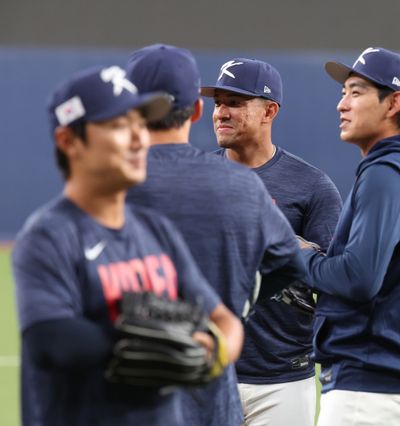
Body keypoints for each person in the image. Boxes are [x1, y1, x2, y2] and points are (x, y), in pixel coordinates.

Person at [11, 65, 244, 426]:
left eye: (141, 124)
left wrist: (211, 352)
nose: (139, 138)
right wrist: (138, 343)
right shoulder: (50, 236)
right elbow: (49, 339)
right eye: (119, 125)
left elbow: (225, 321)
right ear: (69, 141)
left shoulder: (157, 230)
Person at [124, 44, 307, 426]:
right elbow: (291, 263)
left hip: (128, 396)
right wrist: (235, 304)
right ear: (195, 110)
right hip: (212, 388)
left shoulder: (106, 187)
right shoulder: (241, 185)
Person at [300, 47, 400, 425]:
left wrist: (297, 256)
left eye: (356, 92)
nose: (342, 104)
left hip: (368, 382)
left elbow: (359, 278)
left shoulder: (386, 173)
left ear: (394, 103)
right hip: (391, 376)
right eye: (343, 92)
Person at [200, 58, 342, 426]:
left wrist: (295, 257)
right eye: (218, 103)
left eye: (235, 103)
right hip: (208, 371)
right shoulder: (197, 180)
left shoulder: (311, 186)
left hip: (283, 379)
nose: (221, 112)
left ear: (269, 111)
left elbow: (336, 279)